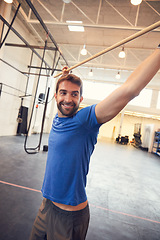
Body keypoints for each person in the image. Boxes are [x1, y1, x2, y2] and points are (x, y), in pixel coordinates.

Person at [29, 45, 160, 240]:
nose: (68, 99)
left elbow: (129, 90)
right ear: (55, 96)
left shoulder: (84, 121)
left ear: (81, 99)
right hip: (46, 206)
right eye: (63, 93)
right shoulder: (58, 119)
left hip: (69, 215)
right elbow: (63, 93)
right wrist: (64, 77)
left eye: (74, 94)